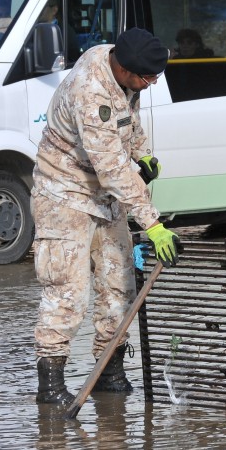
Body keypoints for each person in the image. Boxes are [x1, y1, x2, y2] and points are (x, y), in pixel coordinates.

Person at [32, 27, 180, 405]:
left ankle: (109, 369)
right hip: (64, 194)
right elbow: (113, 170)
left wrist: (141, 152)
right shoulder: (89, 90)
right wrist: (153, 223)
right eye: (148, 78)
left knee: (119, 284)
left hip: (105, 198)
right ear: (127, 69)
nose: (151, 84)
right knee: (68, 291)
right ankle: (50, 385)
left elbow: (125, 120)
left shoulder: (118, 63)